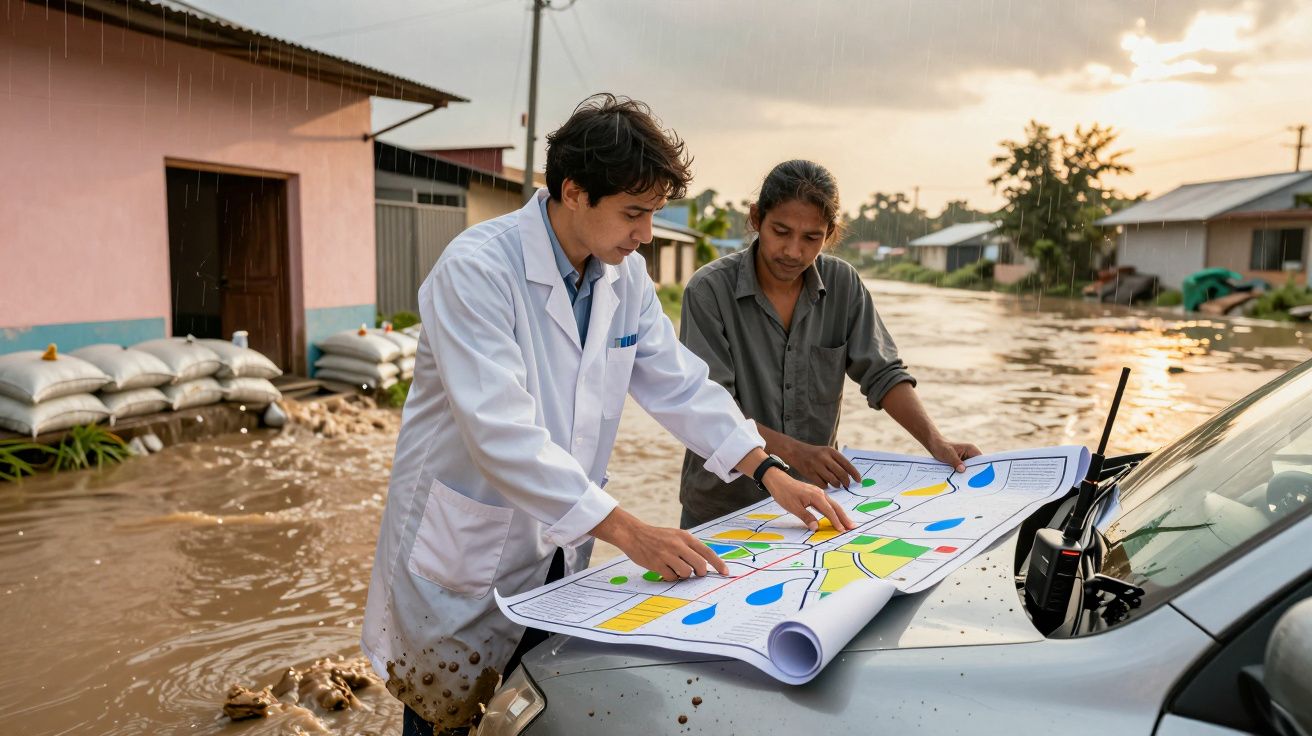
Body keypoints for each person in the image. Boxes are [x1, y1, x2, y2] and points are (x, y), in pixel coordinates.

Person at [362, 98, 854, 735]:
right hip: (467, 550)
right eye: (634, 213)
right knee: (446, 713)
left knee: (533, 712)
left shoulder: (624, 281)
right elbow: (500, 436)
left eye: (652, 213)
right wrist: (631, 531)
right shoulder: (477, 271)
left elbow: (681, 387)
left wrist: (770, 473)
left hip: (560, 547)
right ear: (573, 191)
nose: (647, 232)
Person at [678, 159, 981, 529]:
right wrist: (795, 453)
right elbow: (709, 408)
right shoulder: (709, 292)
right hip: (722, 508)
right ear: (756, 218)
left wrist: (935, 442)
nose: (793, 251)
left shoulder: (844, 285)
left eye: (811, 238)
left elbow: (882, 373)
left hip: (814, 508)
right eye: (781, 231)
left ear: (831, 234)